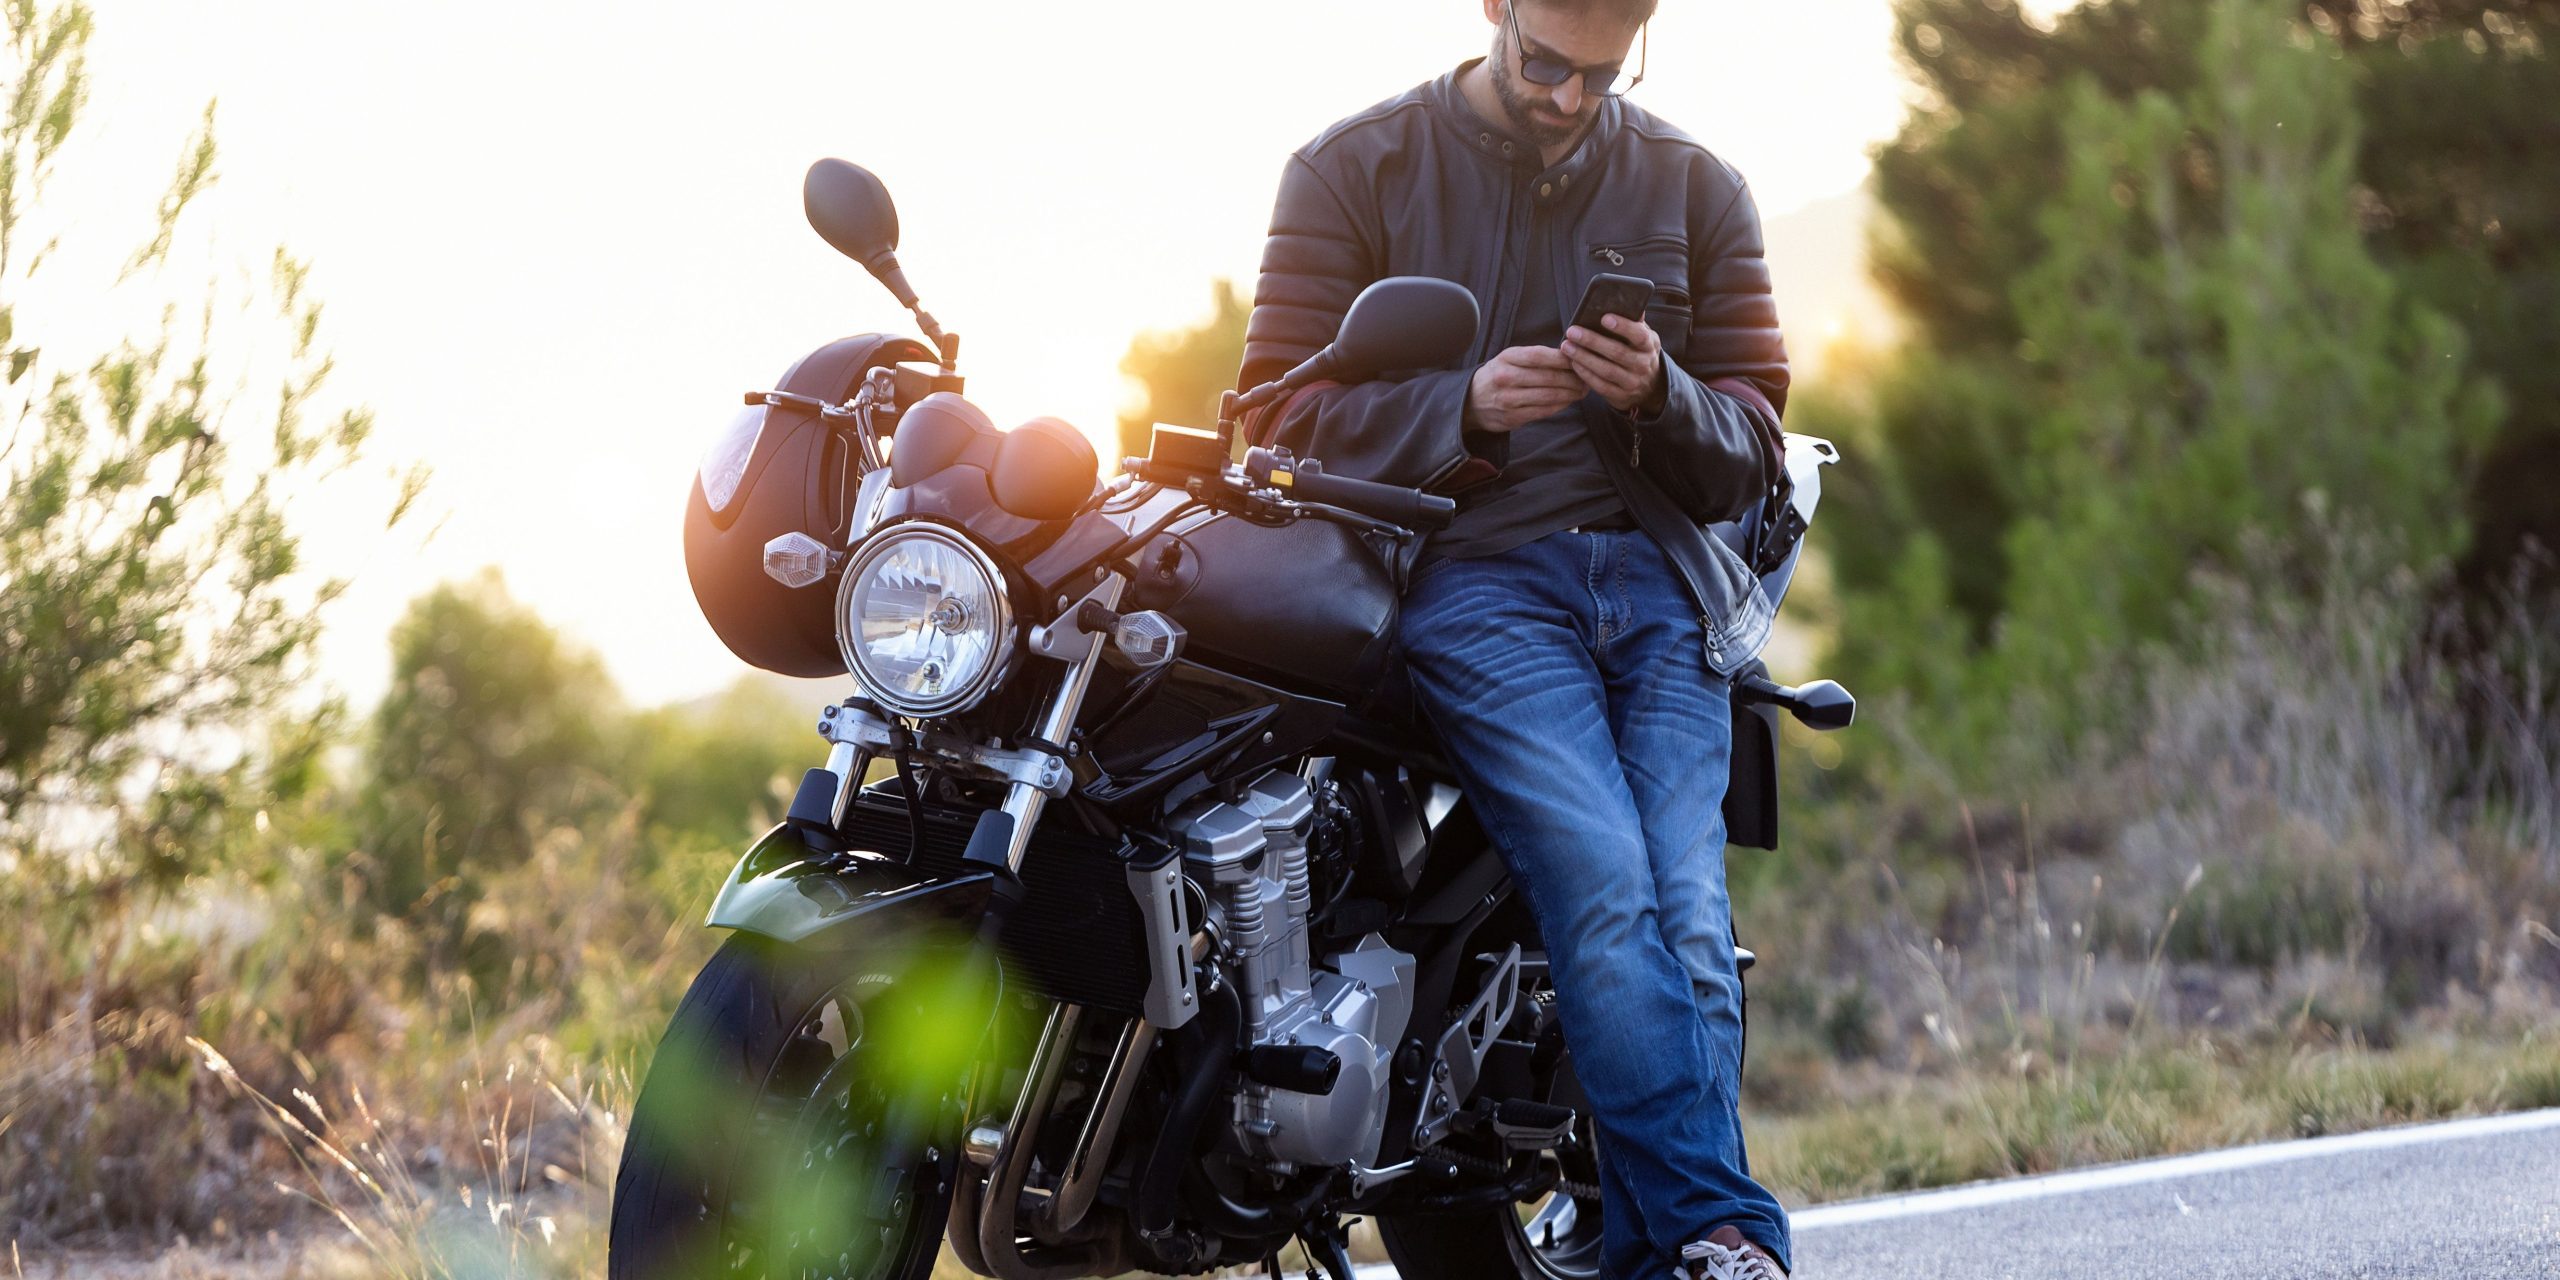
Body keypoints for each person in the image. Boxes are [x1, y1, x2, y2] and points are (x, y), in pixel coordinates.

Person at [1235, 1, 1792, 1276]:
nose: (1567, 96)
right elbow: (1275, 422)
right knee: (1601, 875)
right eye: (1544, 60)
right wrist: (1462, 407)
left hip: (1660, 586)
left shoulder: (1700, 186)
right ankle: (1724, 1233)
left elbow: (1757, 443)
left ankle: (1679, 1255)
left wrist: (1662, 394)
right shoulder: (1350, 168)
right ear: (1492, 7)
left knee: (1688, 910)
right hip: (1471, 581)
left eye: (1603, 70)